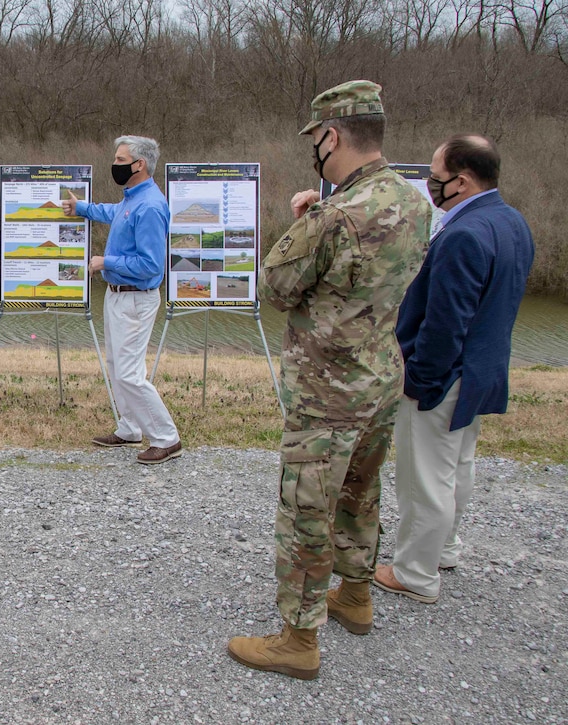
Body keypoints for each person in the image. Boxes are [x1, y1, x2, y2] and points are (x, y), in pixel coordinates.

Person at [226, 81, 431, 680]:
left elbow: (276, 287)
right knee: (360, 493)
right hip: (380, 380)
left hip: (327, 392)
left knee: (306, 511)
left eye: (316, 137)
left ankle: (298, 637)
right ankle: (357, 596)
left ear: (332, 136)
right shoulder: (415, 202)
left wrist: (304, 223)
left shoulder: (334, 214)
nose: (315, 148)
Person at [375, 135, 534, 603]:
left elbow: (445, 322)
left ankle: (415, 573)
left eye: (435, 176)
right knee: (456, 466)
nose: (429, 184)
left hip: (443, 379)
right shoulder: (511, 221)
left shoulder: (463, 233)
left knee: (424, 478)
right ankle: (443, 548)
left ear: (461, 182)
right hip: (482, 371)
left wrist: (418, 380)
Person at [61, 135, 182, 465]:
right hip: (118, 298)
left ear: (138, 164)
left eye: (119, 159)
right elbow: (115, 212)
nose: (114, 165)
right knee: (117, 367)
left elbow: (151, 265)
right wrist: (81, 208)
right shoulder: (132, 199)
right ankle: (129, 428)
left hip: (136, 300)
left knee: (130, 373)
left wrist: (105, 263)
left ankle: (166, 438)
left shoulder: (152, 206)